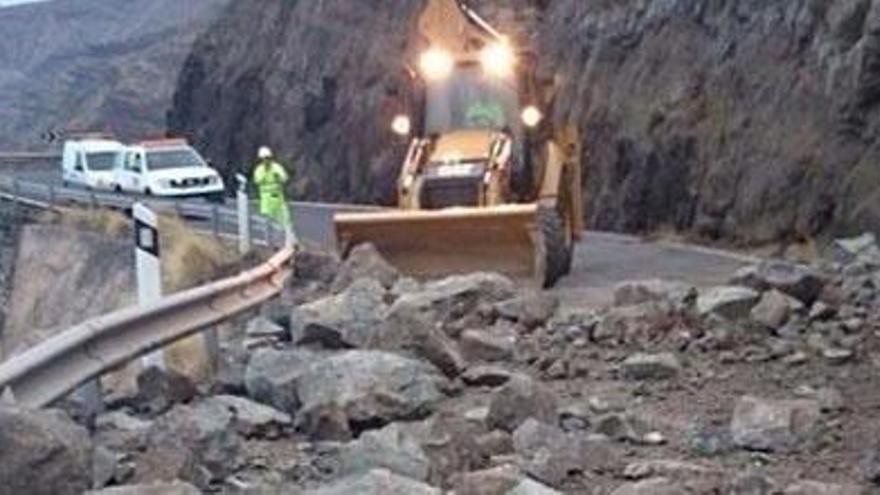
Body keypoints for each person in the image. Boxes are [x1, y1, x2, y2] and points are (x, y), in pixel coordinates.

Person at [252, 146, 295, 244]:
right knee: (269, 223)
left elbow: (285, 178)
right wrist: (265, 174)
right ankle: (272, 243)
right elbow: (257, 180)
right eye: (264, 158)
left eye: (267, 158)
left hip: (277, 197)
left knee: (285, 219)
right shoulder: (259, 170)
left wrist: (279, 176)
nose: (266, 160)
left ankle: (290, 241)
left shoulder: (276, 167)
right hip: (266, 200)